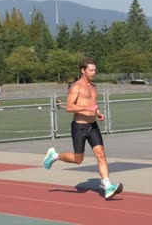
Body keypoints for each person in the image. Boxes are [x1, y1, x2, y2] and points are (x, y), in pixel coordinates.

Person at [43, 58, 122, 199]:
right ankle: (54, 156)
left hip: (93, 126)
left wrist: (98, 113)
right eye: (91, 70)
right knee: (78, 159)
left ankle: (107, 185)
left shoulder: (93, 87)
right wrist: (87, 108)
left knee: (101, 154)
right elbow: (69, 107)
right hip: (79, 127)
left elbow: (93, 104)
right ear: (83, 70)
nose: (94, 72)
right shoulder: (76, 87)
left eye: (95, 70)